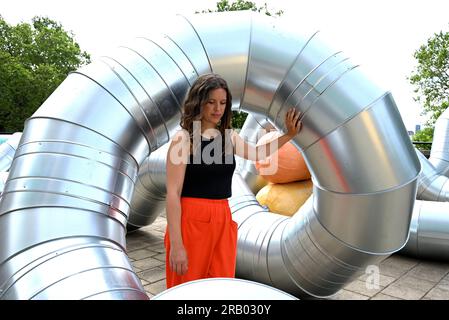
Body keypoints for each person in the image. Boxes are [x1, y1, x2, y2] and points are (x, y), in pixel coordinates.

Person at [164, 73, 302, 288]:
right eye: (211, 102)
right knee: (188, 290)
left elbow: (258, 153)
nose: (217, 109)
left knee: (220, 288)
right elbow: (172, 193)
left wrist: (288, 135)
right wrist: (176, 244)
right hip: (190, 221)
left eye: (222, 103)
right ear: (198, 102)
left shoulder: (228, 137)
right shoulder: (183, 139)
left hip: (223, 218)